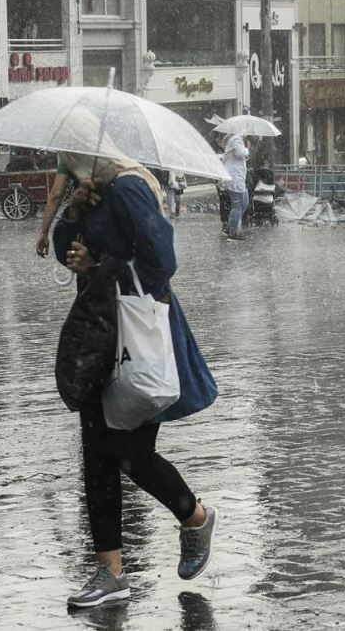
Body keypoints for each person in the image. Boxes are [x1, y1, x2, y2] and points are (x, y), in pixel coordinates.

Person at [53, 151, 217, 608]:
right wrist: (73, 213)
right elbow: (68, 251)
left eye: (68, 158)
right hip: (100, 333)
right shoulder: (93, 190)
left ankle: (195, 516)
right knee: (98, 454)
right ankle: (111, 572)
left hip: (137, 334)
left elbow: (161, 263)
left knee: (131, 454)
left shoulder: (129, 188)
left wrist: (100, 263)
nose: (64, 168)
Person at [221, 133, 250, 240]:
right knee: (237, 205)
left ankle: (229, 227)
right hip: (235, 177)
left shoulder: (236, 140)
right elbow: (239, 153)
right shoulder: (237, 139)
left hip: (238, 177)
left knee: (244, 202)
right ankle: (232, 232)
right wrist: (247, 149)